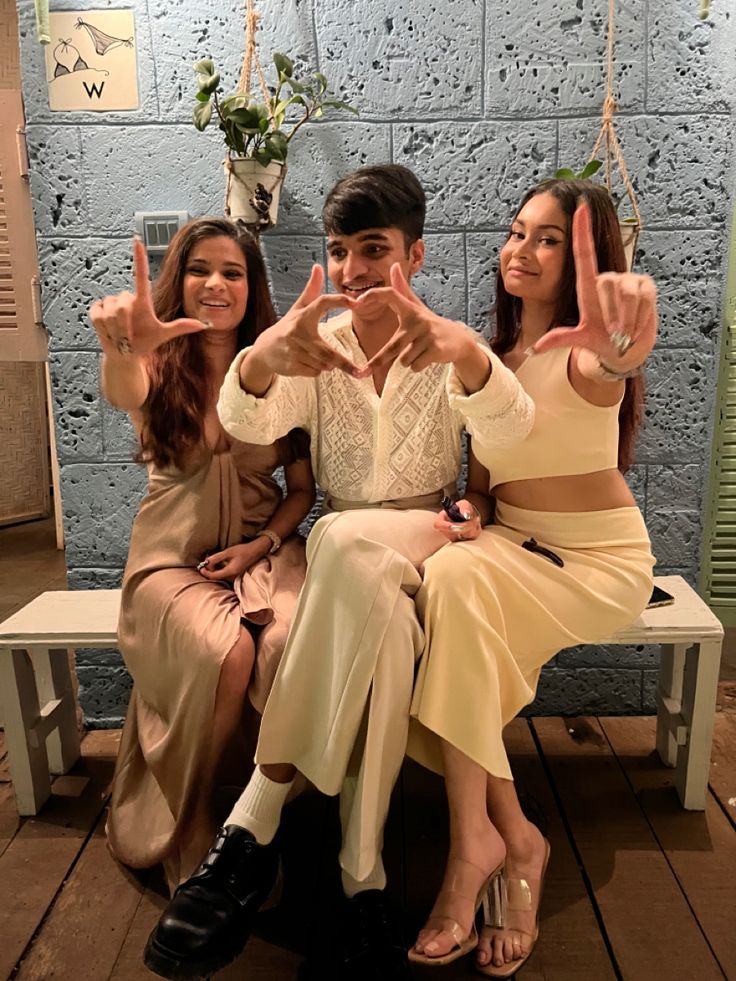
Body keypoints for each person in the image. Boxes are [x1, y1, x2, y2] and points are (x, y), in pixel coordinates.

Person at [142, 164, 535, 981]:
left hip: (433, 542)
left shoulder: (446, 342)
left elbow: (512, 426)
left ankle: (254, 820)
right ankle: (365, 876)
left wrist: (470, 359)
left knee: (346, 541)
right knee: (372, 605)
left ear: (416, 254)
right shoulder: (316, 351)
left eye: (374, 249)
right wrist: (260, 361)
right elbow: (247, 416)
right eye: (339, 249)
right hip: (353, 565)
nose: (353, 269)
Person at [406, 179, 657, 977]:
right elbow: (481, 485)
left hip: (597, 560)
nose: (523, 249)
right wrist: (470, 510)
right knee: (443, 584)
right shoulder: (490, 361)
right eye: (518, 231)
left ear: (583, 260)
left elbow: (614, 362)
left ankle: (474, 850)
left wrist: (624, 343)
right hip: (512, 549)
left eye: (549, 239)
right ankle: (509, 835)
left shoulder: (583, 355)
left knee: (453, 594)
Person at [89, 218, 315, 891]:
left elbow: (300, 489)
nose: (215, 283)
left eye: (233, 272)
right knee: (226, 651)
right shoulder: (156, 362)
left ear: (253, 287)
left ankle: (260, 816)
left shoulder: (279, 370)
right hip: (171, 560)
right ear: (178, 281)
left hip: (267, 550)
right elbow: (123, 390)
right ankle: (190, 822)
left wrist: (261, 543)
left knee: (287, 648)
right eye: (200, 269)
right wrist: (124, 347)